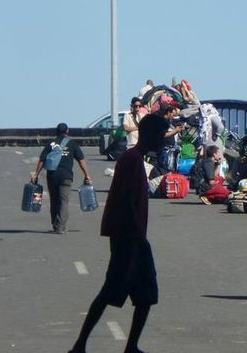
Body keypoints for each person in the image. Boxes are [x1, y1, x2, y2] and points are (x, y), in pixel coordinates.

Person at [69, 115, 169, 353]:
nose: (162, 143)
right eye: (161, 136)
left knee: (145, 295)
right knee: (110, 291)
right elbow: (126, 201)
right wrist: (137, 236)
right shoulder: (132, 160)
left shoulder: (133, 159)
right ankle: (80, 345)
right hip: (129, 238)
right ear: (150, 134)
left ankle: (129, 346)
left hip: (131, 237)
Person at [31, 123, 92, 234]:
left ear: (56, 131)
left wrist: (36, 175)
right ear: (67, 131)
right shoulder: (72, 144)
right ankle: (61, 226)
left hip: (52, 176)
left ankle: (55, 225)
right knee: (63, 201)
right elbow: (81, 160)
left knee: (54, 200)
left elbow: (42, 160)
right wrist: (86, 175)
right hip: (66, 177)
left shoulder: (51, 144)